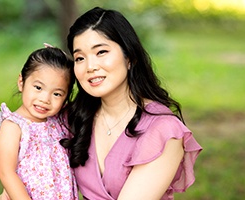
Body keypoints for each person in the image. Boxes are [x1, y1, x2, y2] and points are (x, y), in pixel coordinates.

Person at [60, 7, 203, 200]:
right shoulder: (74, 118)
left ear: (130, 57)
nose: (90, 67)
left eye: (101, 52)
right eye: (80, 58)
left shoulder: (162, 131)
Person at [0, 46, 78, 200]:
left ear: (66, 96)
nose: (45, 99)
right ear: (21, 82)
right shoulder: (13, 126)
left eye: (57, 94)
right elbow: (6, 173)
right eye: (38, 87)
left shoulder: (59, 121)